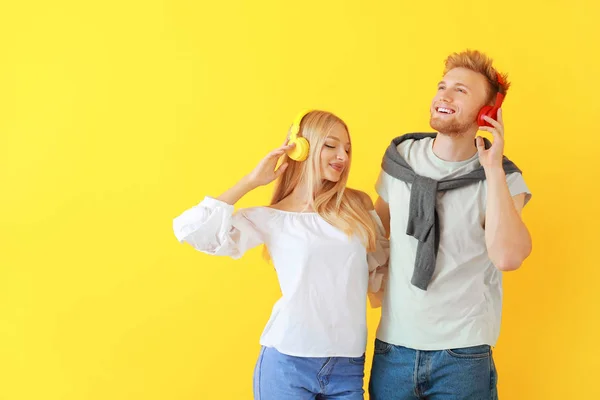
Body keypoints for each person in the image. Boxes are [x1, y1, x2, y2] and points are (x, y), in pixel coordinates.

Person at [173, 110, 388, 399]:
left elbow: (382, 269)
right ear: (302, 148)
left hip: (347, 365)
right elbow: (193, 230)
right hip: (287, 363)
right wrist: (251, 181)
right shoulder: (272, 218)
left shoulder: (356, 205)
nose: (342, 157)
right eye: (331, 145)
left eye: (347, 149)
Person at [369, 50, 533, 399]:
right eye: (442, 86)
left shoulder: (503, 178)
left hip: (464, 354)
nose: (444, 95)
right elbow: (373, 238)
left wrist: (491, 167)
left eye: (461, 90)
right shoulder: (400, 161)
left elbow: (507, 257)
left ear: (487, 113)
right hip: (393, 349)